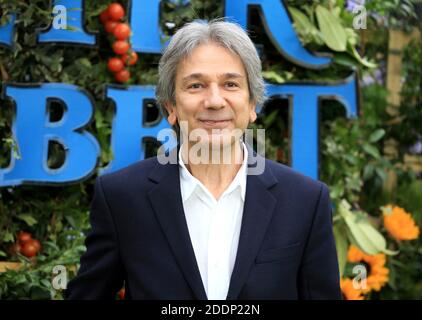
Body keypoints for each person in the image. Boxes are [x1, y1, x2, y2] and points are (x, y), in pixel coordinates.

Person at [66, 19, 341, 300]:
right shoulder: (122, 198)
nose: (214, 101)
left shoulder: (305, 201)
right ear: (170, 107)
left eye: (231, 84)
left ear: (252, 105)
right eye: (196, 85)